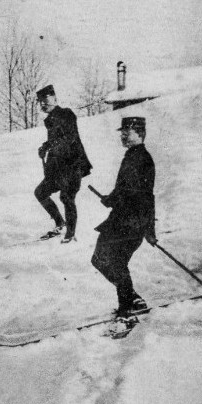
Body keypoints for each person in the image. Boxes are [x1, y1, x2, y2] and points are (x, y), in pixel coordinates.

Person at [92, 116, 157, 320]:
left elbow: (143, 195)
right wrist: (111, 199)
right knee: (99, 259)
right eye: (122, 132)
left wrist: (149, 229)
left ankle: (126, 310)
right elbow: (123, 189)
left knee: (116, 261)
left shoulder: (143, 159)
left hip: (132, 222)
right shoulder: (131, 155)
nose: (122, 136)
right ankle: (132, 299)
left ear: (140, 134)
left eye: (126, 132)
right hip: (119, 220)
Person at [34, 85, 93, 243]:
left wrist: (51, 146)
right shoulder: (51, 120)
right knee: (40, 192)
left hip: (73, 165)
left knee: (67, 196)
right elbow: (56, 139)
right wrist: (45, 146)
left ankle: (71, 233)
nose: (43, 104)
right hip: (58, 169)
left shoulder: (66, 114)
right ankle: (60, 223)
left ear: (55, 98)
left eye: (46, 100)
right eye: (40, 102)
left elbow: (69, 137)